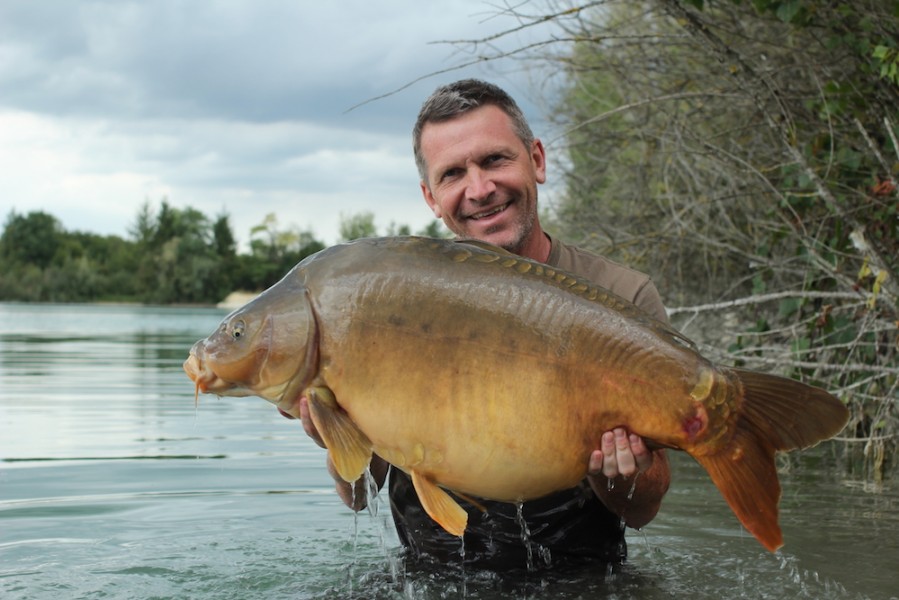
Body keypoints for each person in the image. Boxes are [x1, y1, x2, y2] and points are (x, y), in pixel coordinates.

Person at [296, 79, 671, 570]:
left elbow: (643, 512)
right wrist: (339, 432)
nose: (479, 189)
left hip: (580, 580)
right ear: (431, 197)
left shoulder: (623, 299)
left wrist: (617, 474)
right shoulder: (389, 302)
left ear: (536, 159)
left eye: (494, 160)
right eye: (453, 174)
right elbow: (358, 497)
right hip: (430, 577)